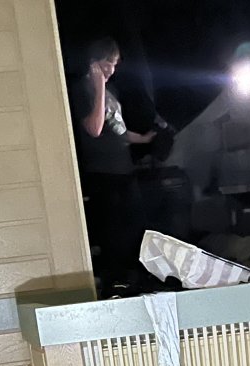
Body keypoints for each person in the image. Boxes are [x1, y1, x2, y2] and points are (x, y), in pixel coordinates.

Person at [74, 37, 155, 297]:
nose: (111, 69)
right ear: (94, 63)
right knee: (112, 236)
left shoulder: (112, 93)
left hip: (124, 171)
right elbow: (95, 128)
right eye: (107, 63)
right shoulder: (83, 90)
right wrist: (98, 87)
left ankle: (133, 281)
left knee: (135, 229)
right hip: (102, 174)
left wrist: (144, 139)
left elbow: (117, 129)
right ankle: (113, 286)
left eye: (115, 64)